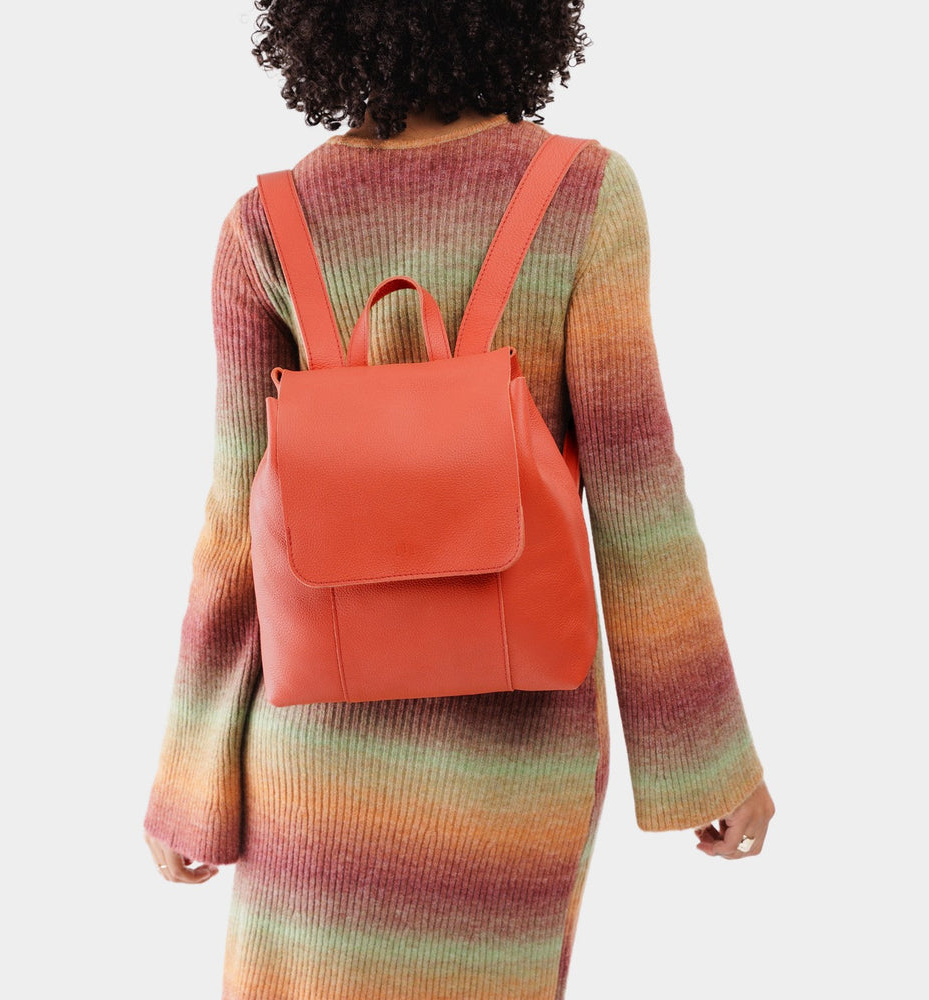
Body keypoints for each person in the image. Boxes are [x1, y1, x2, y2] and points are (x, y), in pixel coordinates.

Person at [142, 2, 776, 997]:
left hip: (315, 780)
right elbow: (638, 500)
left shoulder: (264, 223)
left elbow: (235, 531)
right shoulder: (584, 195)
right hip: (516, 771)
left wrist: (192, 784)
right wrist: (707, 761)